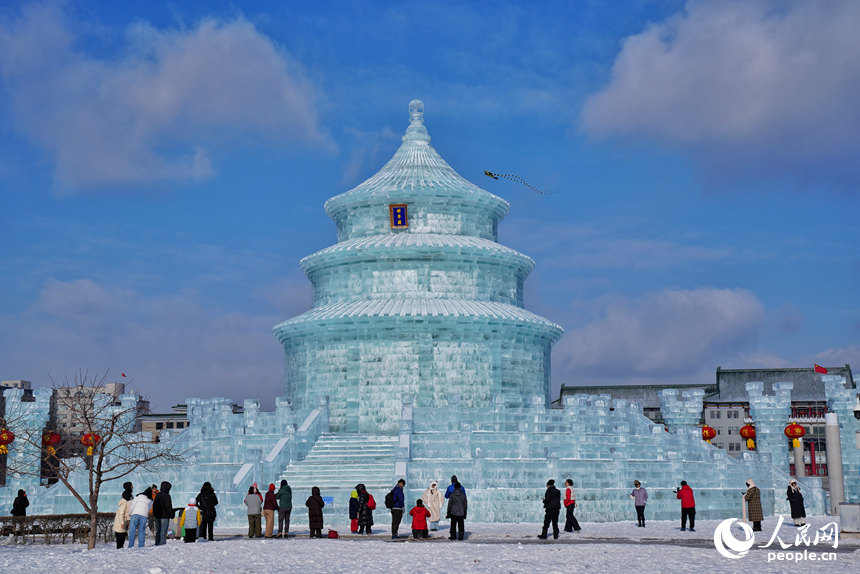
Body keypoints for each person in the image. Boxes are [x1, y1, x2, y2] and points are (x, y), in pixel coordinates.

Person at [152, 480, 174, 545]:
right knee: (163, 531)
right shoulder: (167, 496)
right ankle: (162, 544)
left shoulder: (157, 495)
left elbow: (154, 505)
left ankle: (157, 543)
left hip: (157, 516)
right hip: (164, 516)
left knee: (158, 531)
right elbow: (168, 506)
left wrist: (155, 514)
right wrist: (172, 514)